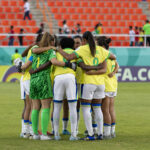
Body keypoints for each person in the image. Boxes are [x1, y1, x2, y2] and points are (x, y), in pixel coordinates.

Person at [57, 31, 116, 140]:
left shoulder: (82, 49)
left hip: (88, 82)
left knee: (85, 108)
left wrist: (59, 50)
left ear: (84, 40)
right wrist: (98, 65)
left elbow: (69, 57)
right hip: (100, 83)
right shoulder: (101, 49)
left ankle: (90, 134)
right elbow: (113, 57)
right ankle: (100, 133)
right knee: (97, 108)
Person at [96, 36, 119, 139]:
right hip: (113, 84)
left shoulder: (103, 56)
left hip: (105, 84)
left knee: (105, 110)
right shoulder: (112, 56)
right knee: (111, 109)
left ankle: (107, 133)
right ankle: (112, 131)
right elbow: (117, 66)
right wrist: (113, 72)